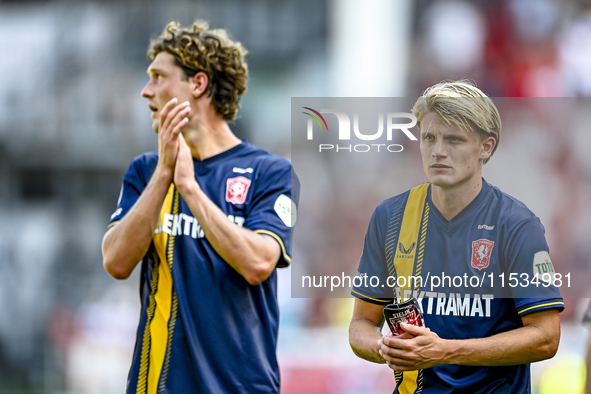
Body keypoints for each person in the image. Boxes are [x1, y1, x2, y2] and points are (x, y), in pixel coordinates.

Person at [102, 21, 298, 394]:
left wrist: (189, 189)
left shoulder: (269, 172)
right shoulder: (145, 171)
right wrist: (164, 175)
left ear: (198, 83)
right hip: (156, 386)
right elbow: (115, 261)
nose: (146, 92)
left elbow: (258, 263)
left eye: (159, 77)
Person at [349, 81, 564, 393]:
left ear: (486, 147)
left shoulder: (516, 224)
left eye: (454, 140)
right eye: (429, 138)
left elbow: (546, 337)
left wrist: (446, 350)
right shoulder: (390, 216)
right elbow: (361, 325)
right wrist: (386, 348)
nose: (438, 152)